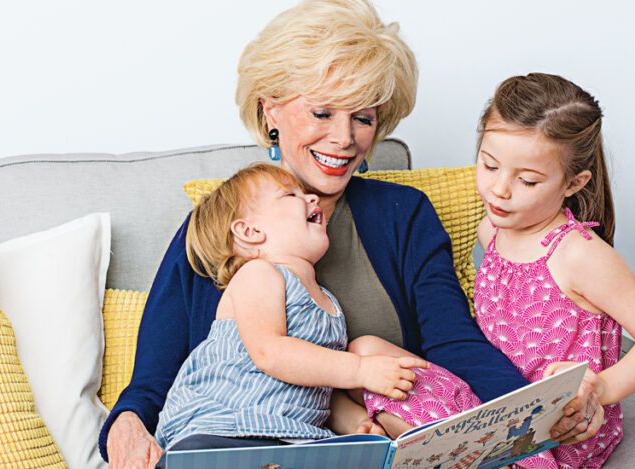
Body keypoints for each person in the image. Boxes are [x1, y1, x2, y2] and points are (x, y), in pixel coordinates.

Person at [100, 2, 593, 466]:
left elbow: (453, 344)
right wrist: (126, 427)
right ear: (270, 111)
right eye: (322, 112)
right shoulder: (223, 225)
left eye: (363, 117)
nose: (344, 138)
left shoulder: (403, 214)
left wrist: (541, 409)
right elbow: (153, 379)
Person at [473, 72, 635, 468]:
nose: (499, 189)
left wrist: (601, 388)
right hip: (500, 399)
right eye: (489, 165)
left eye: (528, 180)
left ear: (574, 183)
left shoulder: (580, 255)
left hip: (563, 425)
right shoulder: (492, 231)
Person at [154, 162, 437, 454]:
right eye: (291, 196)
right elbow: (271, 352)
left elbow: (318, 385)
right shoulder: (259, 275)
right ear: (249, 231)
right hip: (222, 428)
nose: (312, 198)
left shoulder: (328, 303)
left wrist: (355, 423)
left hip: (291, 439)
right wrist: (361, 369)